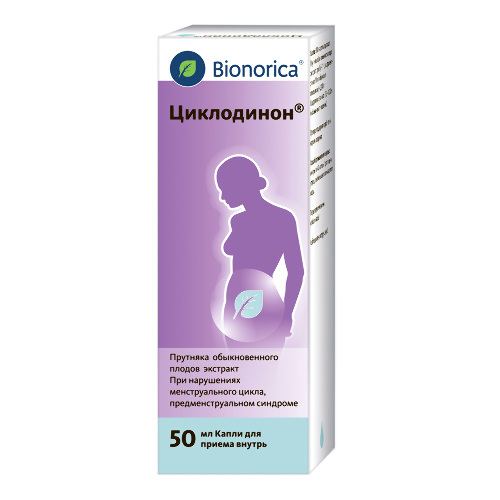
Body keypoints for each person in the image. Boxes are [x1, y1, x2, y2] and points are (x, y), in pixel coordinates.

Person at [215, 155, 304, 348]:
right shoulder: (239, 221)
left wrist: (288, 314)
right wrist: (286, 314)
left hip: (259, 300)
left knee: (257, 361)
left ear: (241, 185)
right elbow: (228, 248)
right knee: (242, 363)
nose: (222, 197)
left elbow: (296, 271)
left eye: (225, 189)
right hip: (238, 302)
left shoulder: (280, 219)